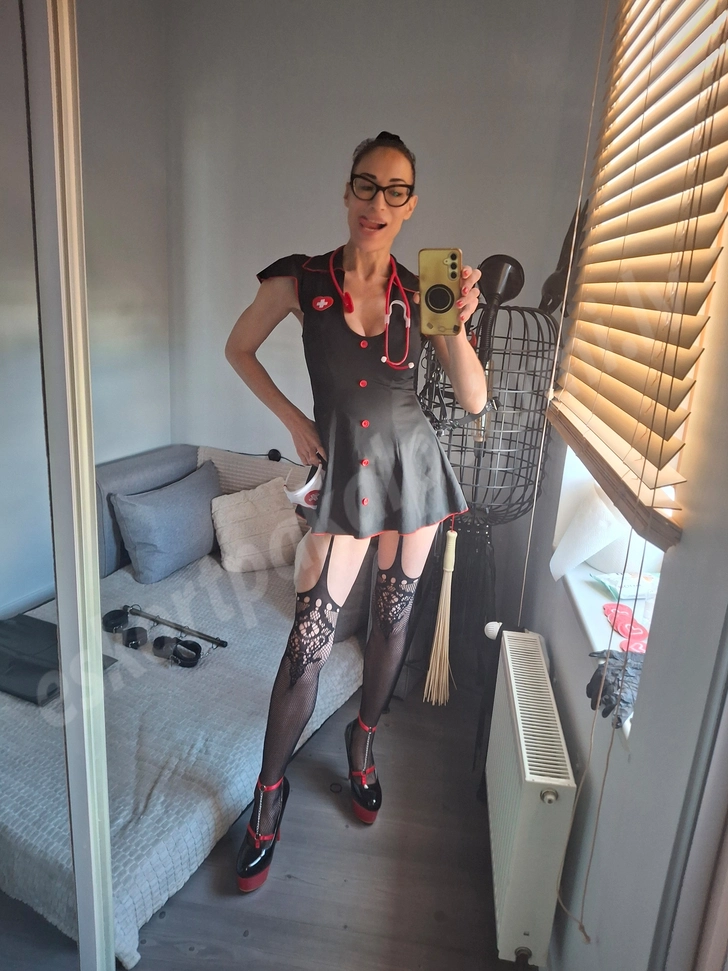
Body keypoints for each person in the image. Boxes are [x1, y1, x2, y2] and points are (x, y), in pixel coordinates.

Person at [224, 132, 487, 892]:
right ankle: (269, 794)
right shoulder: (301, 279)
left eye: (395, 191)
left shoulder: (425, 288)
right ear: (347, 192)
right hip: (347, 474)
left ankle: (363, 741)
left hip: (416, 474)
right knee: (308, 640)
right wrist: (293, 422)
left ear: (410, 206)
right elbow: (239, 348)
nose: (378, 202)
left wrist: (455, 322)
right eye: (366, 185)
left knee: (393, 620)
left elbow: (473, 399)